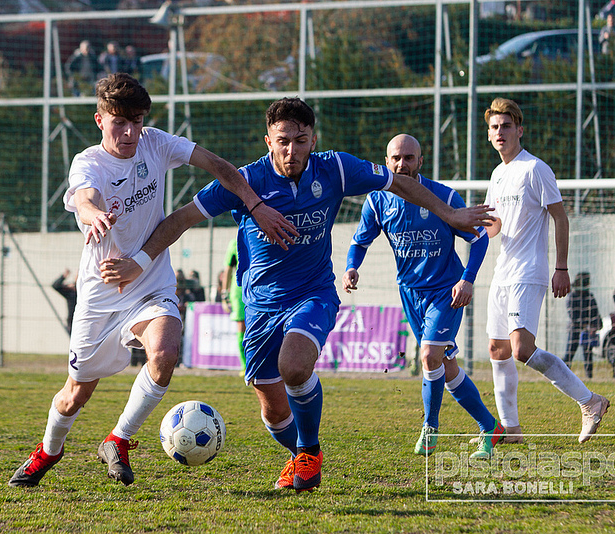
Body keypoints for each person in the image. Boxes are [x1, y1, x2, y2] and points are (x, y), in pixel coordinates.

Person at [99, 97, 494, 492]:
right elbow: (181, 219)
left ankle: (308, 453)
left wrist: (450, 214)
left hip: (313, 293)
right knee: (272, 411)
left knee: (294, 365)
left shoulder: (336, 169)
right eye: (283, 141)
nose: (292, 150)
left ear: (313, 140)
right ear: (268, 141)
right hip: (260, 305)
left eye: (301, 141)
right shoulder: (245, 181)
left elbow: (398, 182)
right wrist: (139, 262)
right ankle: (301, 456)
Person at [8, 72, 294, 489]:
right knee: (75, 394)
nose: (129, 133)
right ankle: (49, 451)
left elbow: (219, 167)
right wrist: (95, 214)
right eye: (119, 122)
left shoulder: (156, 143)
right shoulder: (88, 163)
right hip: (101, 293)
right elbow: (85, 199)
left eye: (137, 121)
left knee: (164, 352)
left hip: (151, 283)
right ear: (100, 120)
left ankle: (118, 439)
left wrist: (254, 204)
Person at [342, 134, 505, 460]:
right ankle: (490, 426)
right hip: (410, 294)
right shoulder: (377, 201)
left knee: (429, 355)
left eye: (408, 158)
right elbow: (359, 242)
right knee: (445, 366)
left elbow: (479, 238)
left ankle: (430, 427)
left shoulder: (443, 196)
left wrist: (467, 280)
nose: (402, 164)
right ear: (386, 162)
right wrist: (351, 267)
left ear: (420, 161)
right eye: (396, 158)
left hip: (446, 292)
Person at [483, 97, 609, 446]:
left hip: (529, 270)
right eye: (494, 127)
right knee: (497, 350)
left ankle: (590, 401)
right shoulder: (497, 174)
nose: (500, 132)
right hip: (502, 271)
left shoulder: (535, 169)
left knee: (522, 349)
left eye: (506, 126)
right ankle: (511, 429)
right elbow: (495, 225)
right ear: (489, 134)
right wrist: (467, 225)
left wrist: (561, 267)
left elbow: (560, 217)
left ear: (519, 130)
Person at [562, 272, 601, 379]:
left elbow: (596, 313)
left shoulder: (590, 296)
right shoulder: (572, 296)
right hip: (574, 329)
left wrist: (595, 326)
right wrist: (585, 325)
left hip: (587, 331)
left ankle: (589, 376)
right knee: (569, 353)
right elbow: (573, 316)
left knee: (588, 355)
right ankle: (563, 376)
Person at [222, 237, 247, 376]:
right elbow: (228, 270)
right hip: (239, 291)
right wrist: (224, 295)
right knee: (241, 327)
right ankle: (245, 366)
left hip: (258, 289)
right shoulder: (234, 243)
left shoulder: (260, 236)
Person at [52, 269, 77, 335]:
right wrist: (64, 276)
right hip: (72, 321)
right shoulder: (72, 290)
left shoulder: (86, 290)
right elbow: (56, 286)